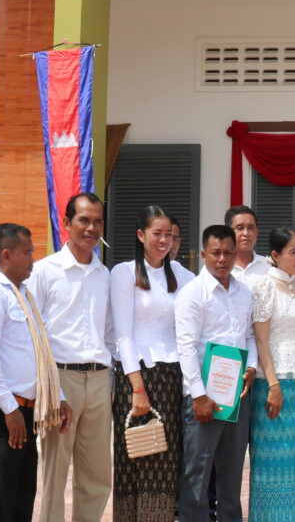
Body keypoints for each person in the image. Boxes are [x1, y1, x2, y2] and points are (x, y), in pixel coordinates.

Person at [0, 223, 72, 522]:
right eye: (27, 253)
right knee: (1, 498)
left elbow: (40, 351)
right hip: (4, 412)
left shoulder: (23, 293)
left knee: (23, 494)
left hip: (27, 412)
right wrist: (10, 409)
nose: (32, 259)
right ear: (6, 254)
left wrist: (59, 396)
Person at [26, 192, 112, 522]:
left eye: (97, 221)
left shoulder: (104, 275)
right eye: (84, 220)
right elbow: (33, 331)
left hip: (99, 381)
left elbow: (108, 332)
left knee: (97, 475)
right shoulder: (45, 271)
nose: (91, 228)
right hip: (59, 381)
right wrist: (53, 389)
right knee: (55, 474)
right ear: (66, 223)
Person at [110, 205, 188, 522]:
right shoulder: (124, 273)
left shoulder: (181, 274)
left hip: (172, 377)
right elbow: (124, 337)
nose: (164, 240)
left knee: (165, 464)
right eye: (157, 233)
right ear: (141, 235)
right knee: (134, 459)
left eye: (168, 234)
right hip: (136, 376)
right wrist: (138, 389)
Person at [176, 224, 257, 522]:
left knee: (233, 471)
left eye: (228, 253)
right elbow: (185, 347)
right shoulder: (192, 294)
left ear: (236, 254)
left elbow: (249, 335)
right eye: (216, 253)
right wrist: (198, 395)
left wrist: (252, 367)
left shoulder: (243, 292)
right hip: (204, 397)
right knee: (197, 473)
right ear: (203, 254)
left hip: (236, 394)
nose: (222, 259)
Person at [248, 226, 295, 521]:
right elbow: (261, 340)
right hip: (270, 381)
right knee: (270, 460)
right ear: (276, 256)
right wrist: (273, 383)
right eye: (293, 252)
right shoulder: (262, 287)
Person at [227, 205, 269, 283]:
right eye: (240, 228)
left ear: (257, 233)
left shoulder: (268, 267)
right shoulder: (218, 267)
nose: (246, 233)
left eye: (250, 228)